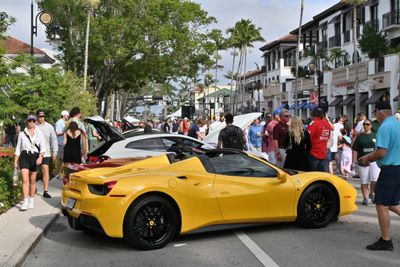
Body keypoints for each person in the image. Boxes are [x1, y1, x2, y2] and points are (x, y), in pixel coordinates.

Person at [359, 101, 400, 251]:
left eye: (375, 113)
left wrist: (366, 158)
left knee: (381, 203)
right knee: (392, 202)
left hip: (390, 169)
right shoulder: (397, 124)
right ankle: (385, 239)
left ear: (380, 112)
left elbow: (382, 152)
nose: (375, 116)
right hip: (398, 168)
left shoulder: (385, 127)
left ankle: (386, 240)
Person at [14, 114, 46, 211]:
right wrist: (15, 161)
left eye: (33, 120)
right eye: (29, 121)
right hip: (24, 156)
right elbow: (18, 148)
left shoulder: (39, 133)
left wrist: (40, 157)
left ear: (35, 122)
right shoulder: (22, 133)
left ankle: (31, 199)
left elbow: (43, 147)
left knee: (32, 181)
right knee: (24, 179)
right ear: (26, 122)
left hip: (35, 157)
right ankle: (25, 200)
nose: (31, 122)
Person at [352, 119, 380, 205]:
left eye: (367, 124)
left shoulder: (375, 135)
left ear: (371, 126)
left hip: (374, 161)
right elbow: (355, 150)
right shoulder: (360, 137)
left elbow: (379, 149)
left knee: (374, 179)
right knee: (364, 181)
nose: (365, 126)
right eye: (364, 124)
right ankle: (365, 197)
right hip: (362, 162)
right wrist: (354, 161)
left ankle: (372, 193)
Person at [35, 110, 58, 198]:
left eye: (43, 116)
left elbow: (54, 139)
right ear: (37, 116)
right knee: (34, 171)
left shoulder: (49, 127)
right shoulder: (34, 126)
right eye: (40, 116)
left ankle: (45, 191)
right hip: (35, 153)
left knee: (45, 170)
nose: (41, 118)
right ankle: (34, 187)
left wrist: (55, 151)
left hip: (46, 152)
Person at [307, 108, 333, 172]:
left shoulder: (314, 123)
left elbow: (307, 137)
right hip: (324, 153)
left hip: (313, 153)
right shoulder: (327, 123)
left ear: (313, 114)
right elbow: (328, 136)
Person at [54, 110, 69, 180]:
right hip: (60, 143)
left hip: (65, 143)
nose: (68, 117)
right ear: (63, 115)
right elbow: (57, 133)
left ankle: (60, 173)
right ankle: (58, 174)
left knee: (63, 159)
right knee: (61, 159)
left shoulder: (65, 122)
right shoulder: (58, 122)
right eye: (67, 115)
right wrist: (65, 132)